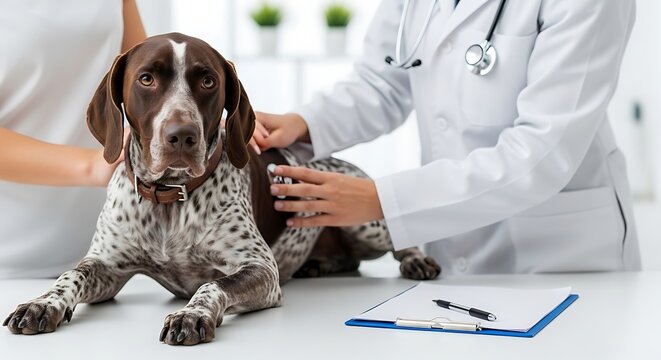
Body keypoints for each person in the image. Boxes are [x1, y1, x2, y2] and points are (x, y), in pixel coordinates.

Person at [251, 0, 641, 274]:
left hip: (559, 257)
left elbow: (542, 154)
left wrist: (381, 201)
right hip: (451, 253)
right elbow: (383, 81)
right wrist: (304, 122)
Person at [0, 0, 146, 278]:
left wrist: (207, 124)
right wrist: (91, 165)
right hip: (6, 267)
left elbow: (141, 74)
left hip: (105, 258)